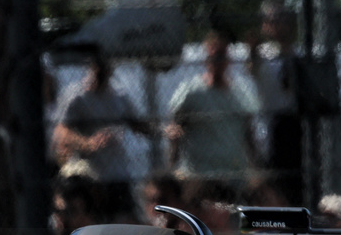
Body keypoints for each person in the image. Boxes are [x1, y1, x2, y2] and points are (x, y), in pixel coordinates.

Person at [51, 52, 148, 219]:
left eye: (106, 67)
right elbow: (61, 132)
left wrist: (161, 128)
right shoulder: (77, 96)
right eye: (98, 67)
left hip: (118, 174)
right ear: (91, 68)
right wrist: (87, 143)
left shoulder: (119, 95)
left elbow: (138, 124)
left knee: (126, 220)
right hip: (90, 175)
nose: (102, 72)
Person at [165, 32, 257, 185]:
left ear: (228, 60)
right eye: (213, 56)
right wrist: (171, 168)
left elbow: (249, 134)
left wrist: (255, 169)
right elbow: (175, 130)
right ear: (206, 60)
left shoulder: (241, 93)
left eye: (221, 56)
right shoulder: (191, 92)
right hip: (199, 176)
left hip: (234, 175)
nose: (217, 61)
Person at [249, 0, 306, 202]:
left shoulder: (300, 54)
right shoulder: (263, 55)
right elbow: (252, 69)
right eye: (271, 21)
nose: (277, 26)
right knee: (277, 179)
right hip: (272, 123)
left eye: (282, 20)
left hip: (297, 121)